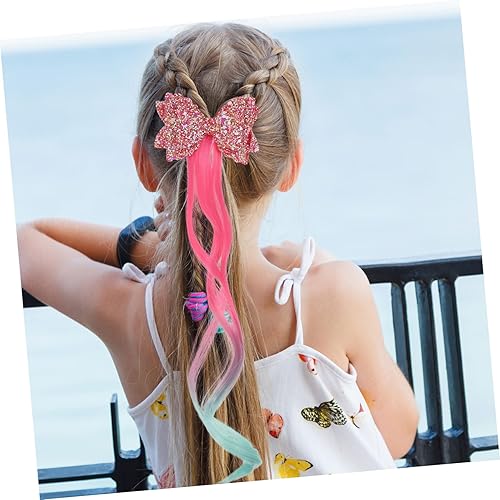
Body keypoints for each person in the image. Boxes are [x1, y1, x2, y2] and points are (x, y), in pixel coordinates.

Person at [17, 22, 419, 488]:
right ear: (291, 166)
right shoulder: (334, 293)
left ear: (144, 164)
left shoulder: (129, 313)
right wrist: (323, 262)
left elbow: (25, 242)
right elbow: (397, 435)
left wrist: (148, 247)